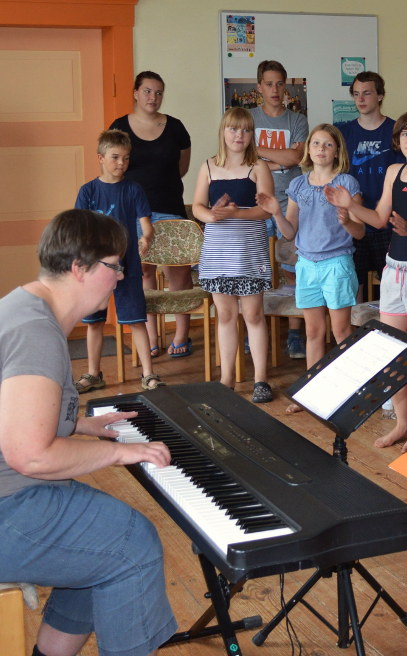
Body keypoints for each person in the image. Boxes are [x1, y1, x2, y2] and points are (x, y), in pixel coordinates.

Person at [0, 209, 176, 656]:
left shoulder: (24, 307)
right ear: (80, 268)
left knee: (99, 542)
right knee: (131, 545)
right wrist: (120, 456)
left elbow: (16, 410)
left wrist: (80, 424)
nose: (118, 278)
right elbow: (30, 456)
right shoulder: (36, 331)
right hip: (7, 505)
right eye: (114, 266)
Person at [327, 110, 407, 452]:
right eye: (406, 135)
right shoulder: (394, 172)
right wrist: (350, 206)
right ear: (397, 141)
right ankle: (402, 423)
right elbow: (380, 218)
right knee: (391, 353)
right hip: (394, 269)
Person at [258, 124, 364, 414]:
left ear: (337, 151)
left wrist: (346, 221)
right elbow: (290, 232)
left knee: (341, 331)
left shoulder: (347, 184)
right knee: (314, 332)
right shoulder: (299, 185)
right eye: (316, 143)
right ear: (308, 149)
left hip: (337, 263)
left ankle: (347, 391)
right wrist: (276, 212)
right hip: (306, 265)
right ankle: (313, 393)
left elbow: (360, 231)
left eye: (327, 144)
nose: (320, 148)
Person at [191, 107, 275, 402]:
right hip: (217, 254)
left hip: (249, 253)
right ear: (223, 132)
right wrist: (211, 216)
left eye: (245, 130)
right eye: (233, 129)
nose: (239, 135)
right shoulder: (209, 167)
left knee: (253, 314)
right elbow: (198, 206)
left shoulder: (259, 167)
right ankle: (226, 380)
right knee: (225, 315)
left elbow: (266, 209)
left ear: (252, 135)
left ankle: (260, 380)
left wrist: (237, 212)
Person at [109, 71, 193, 358]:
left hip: (170, 207)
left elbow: (181, 167)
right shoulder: (120, 126)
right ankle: (152, 336)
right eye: (147, 91)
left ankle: (182, 334)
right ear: (135, 93)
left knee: (177, 273)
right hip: (132, 210)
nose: (153, 97)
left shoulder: (176, 127)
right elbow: (114, 164)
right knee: (142, 272)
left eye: (158, 92)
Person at [74, 129, 164, 392]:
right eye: (115, 157)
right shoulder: (88, 191)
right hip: (94, 270)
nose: (121, 163)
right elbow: (80, 230)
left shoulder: (133, 189)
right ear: (100, 158)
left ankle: (148, 373)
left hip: (129, 268)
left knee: (136, 320)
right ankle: (93, 374)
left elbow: (147, 226)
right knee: (94, 323)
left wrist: (146, 238)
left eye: (125, 158)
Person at [250, 60, 309, 359]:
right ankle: (253, 329)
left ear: (286, 87)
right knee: (256, 271)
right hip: (256, 202)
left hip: (290, 202)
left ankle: (294, 334)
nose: (275, 89)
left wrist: (256, 152)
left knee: (292, 271)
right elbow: (238, 156)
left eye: (280, 84)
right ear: (259, 87)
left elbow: (296, 157)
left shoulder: (297, 120)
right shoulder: (247, 118)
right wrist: (280, 161)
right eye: (269, 84)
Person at [340, 72, 406, 303]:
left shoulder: (397, 130)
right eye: (356, 94)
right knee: (352, 288)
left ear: (380, 96)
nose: (361, 99)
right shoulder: (344, 133)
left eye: (367, 93)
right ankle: (356, 338)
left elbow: (404, 177)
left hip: (386, 224)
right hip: (353, 223)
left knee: (391, 288)